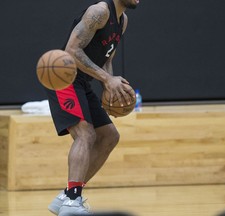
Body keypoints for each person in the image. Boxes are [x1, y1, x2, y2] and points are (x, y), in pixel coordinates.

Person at [45, 0, 139, 215]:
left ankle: (67, 196)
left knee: (109, 136)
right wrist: (107, 80)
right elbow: (72, 49)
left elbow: (107, 58)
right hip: (62, 74)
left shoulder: (122, 20)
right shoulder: (99, 12)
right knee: (85, 134)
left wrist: (110, 85)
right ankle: (72, 201)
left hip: (81, 81)